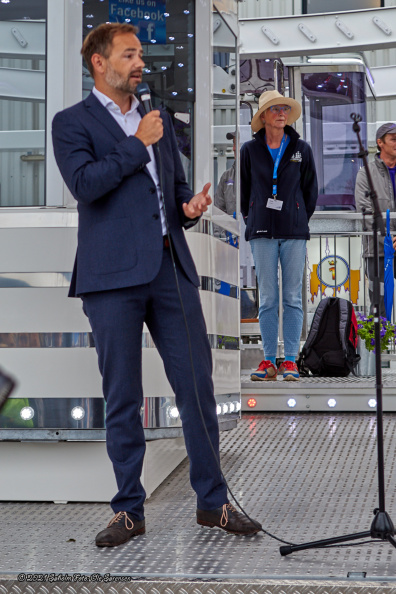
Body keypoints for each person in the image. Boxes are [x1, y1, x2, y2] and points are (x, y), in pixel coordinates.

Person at [52, 23, 260, 547]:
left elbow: (174, 189)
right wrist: (134, 143)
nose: (140, 62)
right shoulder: (71, 123)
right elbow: (85, 185)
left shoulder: (159, 118)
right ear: (100, 64)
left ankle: (213, 503)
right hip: (111, 278)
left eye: (141, 53)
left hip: (171, 269)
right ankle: (128, 510)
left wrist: (190, 207)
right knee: (122, 396)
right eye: (129, 54)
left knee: (197, 388)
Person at [241, 90, 318, 382]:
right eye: (275, 109)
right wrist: (255, 216)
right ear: (263, 117)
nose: (281, 113)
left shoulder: (302, 149)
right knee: (268, 298)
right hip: (261, 231)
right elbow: (245, 192)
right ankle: (268, 361)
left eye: (285, 108)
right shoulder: (249, 150)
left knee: (292, 297)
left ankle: (290, 361)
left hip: (294, 232)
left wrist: (297, 217)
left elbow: (311, 191)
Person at [355, 122, 396, 316]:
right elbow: (365, 211)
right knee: (379, 304)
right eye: (393, 139)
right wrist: (388, 239)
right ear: (380, 143)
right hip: (377, 251)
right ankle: (380, 344)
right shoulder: (366, 173)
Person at [214, 131, 236, 216]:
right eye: (233, 143)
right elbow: (218, 212)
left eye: (237, 144)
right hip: (231, 229)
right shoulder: (226, 177)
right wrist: (226, 230)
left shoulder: (259, 174)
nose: (234, 148)